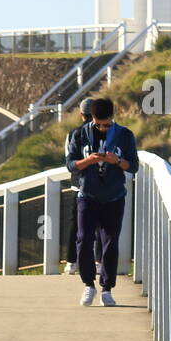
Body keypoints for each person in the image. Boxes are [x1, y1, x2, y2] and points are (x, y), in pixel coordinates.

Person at [65, 96, 138, 307]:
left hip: (114, 197)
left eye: (106, 125)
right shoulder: (79, 134)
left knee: (110, 244)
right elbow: (71, 165)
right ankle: (89, 285)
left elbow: (133, 166)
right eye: (98, 125)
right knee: (84, 239)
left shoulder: (125, 135)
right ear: (91, 119)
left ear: (113, 118)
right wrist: (90, 160)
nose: (102, 129)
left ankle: (107, 289)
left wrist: (116, 161)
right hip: (87, 195)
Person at [64, 98, 101, 274]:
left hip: (78, 184)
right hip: (101, 185)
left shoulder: (73, 134)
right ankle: (100, 262)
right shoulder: (106, 131)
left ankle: (72, 262)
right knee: (102, 225)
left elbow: (69, 159)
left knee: (76, 225)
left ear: (81, 115)